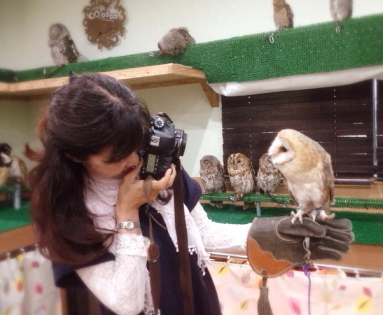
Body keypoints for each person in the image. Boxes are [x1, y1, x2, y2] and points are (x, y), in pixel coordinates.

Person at [26, 73, 353, 315]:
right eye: (115, 158)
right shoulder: (68, 210)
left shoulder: (157, 161)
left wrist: (282, 233)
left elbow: (204, 233)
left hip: (197, 302)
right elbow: (125, 304)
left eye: (134, 145)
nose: (133, 161)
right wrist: (126, 210)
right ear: (75, 155)